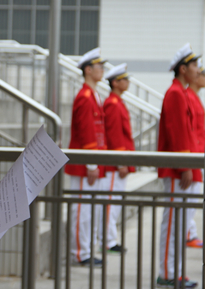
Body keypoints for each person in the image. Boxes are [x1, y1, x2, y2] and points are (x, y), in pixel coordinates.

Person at [156, 43, 202, 289]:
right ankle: (167, 272)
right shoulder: (175, 93)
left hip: (184, 167)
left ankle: (175, 271)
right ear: (183, 69)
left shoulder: (180, 92)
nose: (198, 69)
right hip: (178, 169)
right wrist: (185, 165)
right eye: (194, 65)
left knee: (180, 224)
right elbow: (176, 132)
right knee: (173, 223)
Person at [65, 47, 107, 267]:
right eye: (99, 66)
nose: (103, 70)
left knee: (89, 210)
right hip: (85, 164)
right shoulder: (85, 96)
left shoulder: (94, 95)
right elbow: (86, 132)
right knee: (82, 211)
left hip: (91, 163)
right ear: (88, 70)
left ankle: (86, 250)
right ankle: (80, 253)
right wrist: (91, 163)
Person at [101, 63, 136, 253]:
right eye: (125, 79)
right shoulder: (113, 104)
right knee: (111, 204)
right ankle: (108, 241)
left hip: (119, 163)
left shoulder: (117, 102)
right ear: (115, 82)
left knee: (114, 203)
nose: (128, 82)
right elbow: (114, 136)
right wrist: (121, 162)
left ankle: (110, 239)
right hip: (115, 166)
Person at [185, 58, 205, 249]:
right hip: (192, 155)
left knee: (192, 202)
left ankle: (190, 233)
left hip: (197, 155)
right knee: (189, 202)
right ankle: (189, 234)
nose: (204, 77)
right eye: (201, 73)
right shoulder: (188, 96)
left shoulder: (195, 96)